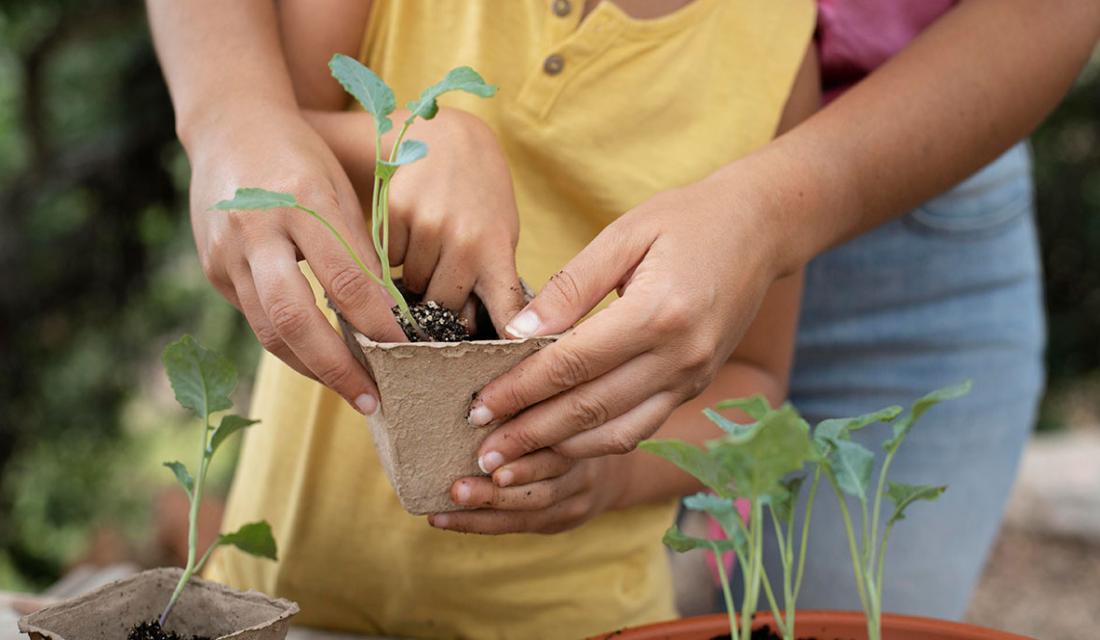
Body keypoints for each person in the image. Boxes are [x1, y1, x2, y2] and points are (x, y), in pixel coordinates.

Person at [149, 0, 818, 636]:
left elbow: (755, 383)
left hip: (578, 620)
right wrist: (402, 141)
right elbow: (263, 137)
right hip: (283, 609)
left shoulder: (774, 48)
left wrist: (614, 471)